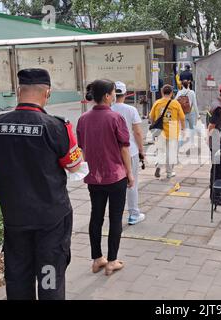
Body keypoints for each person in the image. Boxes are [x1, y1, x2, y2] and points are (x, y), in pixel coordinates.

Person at [0, 68, 82, 299]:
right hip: (51, 220)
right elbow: (74, 166)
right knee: (49, 275)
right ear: (47, 92)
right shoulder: (56, 126)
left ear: (19, 91)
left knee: (18, 274)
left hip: (15, 217)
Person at [77, 79, 134, 276]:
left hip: (94, 177)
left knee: (96, 216)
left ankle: (97, 259)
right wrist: (130, 173)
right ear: (108, 96)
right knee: (115, 219)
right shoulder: (115, 118)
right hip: (115, 176)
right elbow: (124, 149)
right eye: (112, 93)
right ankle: (111, 261)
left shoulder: (83, 119)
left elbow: (82, 148)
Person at [112, 81, 146, 225]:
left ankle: (115, 215)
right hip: (130, 151)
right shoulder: (131, 110)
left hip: (112, 152)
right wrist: (141, 150)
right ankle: (133, 214)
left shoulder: (108, 109)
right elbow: (137, 132)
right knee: (132, 183)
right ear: (125, 94)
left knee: (114, 184)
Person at [149, 84, 185, 179]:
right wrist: (183, 129)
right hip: (172, 130)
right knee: (171, 153)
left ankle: (159, 166)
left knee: (161, 150)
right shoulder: (175, 104)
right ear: (172, 93)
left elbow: (151, 116)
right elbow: (182, 117)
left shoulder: (157, 103)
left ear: (162, 92)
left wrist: (154, 126)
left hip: (160, 130)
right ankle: (169, 173)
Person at [175, 80, 199, 146]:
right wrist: (198, 115)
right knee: (192, 128)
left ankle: (181, 144)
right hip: (191, 113)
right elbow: (195, 104)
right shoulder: (192, 92)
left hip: (182, 113)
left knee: (183, 129)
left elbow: (175, 102)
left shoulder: (179, 92)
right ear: (188, 85)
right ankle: (192, 143)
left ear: (182, 85)